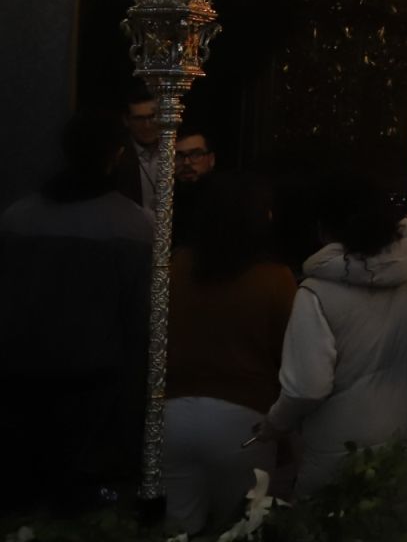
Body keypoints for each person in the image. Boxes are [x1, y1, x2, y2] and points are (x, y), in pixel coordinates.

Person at [0, 108, 152, 513]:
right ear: (117, 155)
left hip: (21, 380)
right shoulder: (134, 226)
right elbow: (141, 321)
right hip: (95, 390)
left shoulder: (17, 218)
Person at [262, 171, 407, 501]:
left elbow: (307, 386)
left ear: (323, 227)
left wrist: (275, 424)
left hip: (341, 449)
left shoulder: (315, 293)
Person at [163, 174, 295, 536]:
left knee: (177, 530)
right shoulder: (275, 279)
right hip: (243, 419)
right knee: (241, 528)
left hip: (173, 415)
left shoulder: (177, 265)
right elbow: (290, 357)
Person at [113, 80, 162, 210]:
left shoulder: (175, 151)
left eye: (152, 117)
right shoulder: (116, 157)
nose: (147, 125)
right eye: (139, 119)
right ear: (126, 121)